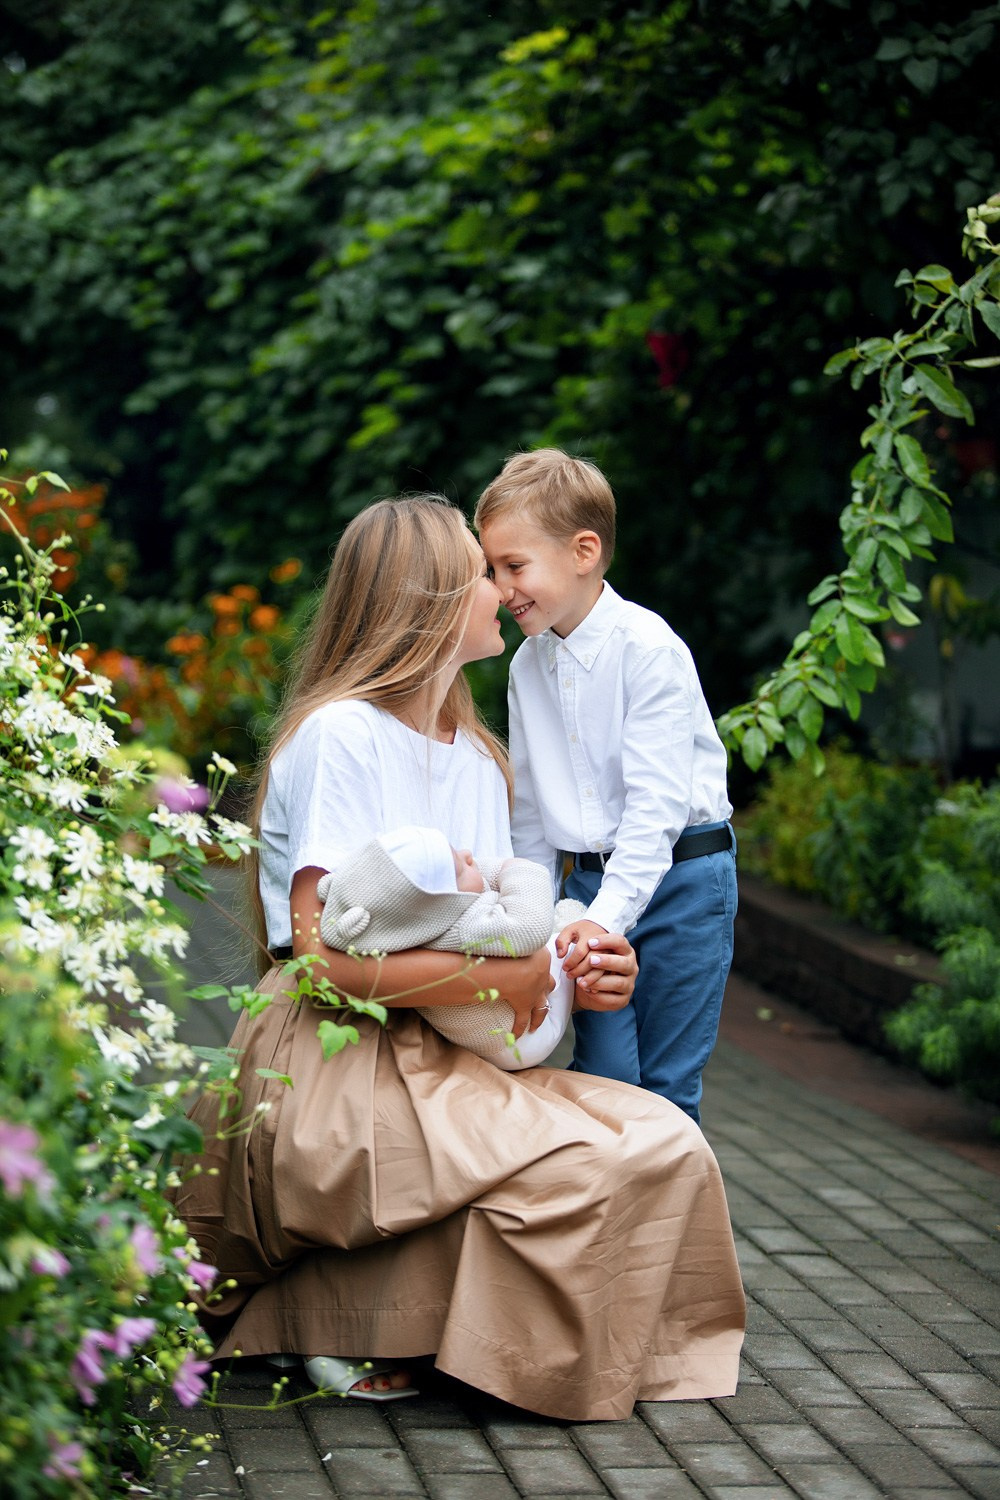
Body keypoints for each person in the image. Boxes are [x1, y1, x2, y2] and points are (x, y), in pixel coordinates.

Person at [172, 494, 744, 1418]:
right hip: (334, 1053)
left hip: (449, 1051)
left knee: (666, 1139)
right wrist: (502, 979)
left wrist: (586, 977)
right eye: (483, 572)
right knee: (575, 1169)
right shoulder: (341, 735)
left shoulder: (479, 758)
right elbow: (317, 962)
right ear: (426, 601)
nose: (503, 590)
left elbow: (508, 945)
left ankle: (434, 1319)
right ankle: (354, 1314)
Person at [476, 449, 737, 1124]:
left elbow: (656, 811)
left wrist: (603, 921)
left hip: (683, 880)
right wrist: (533, 919)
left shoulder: (648, 649)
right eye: (492, 570)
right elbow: (531, 814)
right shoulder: (526, 667)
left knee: (667, 1085)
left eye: (514, 566)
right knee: (607, 1073)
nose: (501, 588)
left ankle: (669, 1194)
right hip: (586, 889)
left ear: (584, 552)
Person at [316, 824, 585, 1069]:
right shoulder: (465, 927)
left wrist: (473, 871)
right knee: (562, 946)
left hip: (495, 1037)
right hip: (525, 1039)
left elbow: (479, 878)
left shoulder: (407, 921)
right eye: (459, 868)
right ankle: (567, 934)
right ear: (447, 901)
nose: (469, 856)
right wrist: (518, 867)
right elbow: (530, 927)